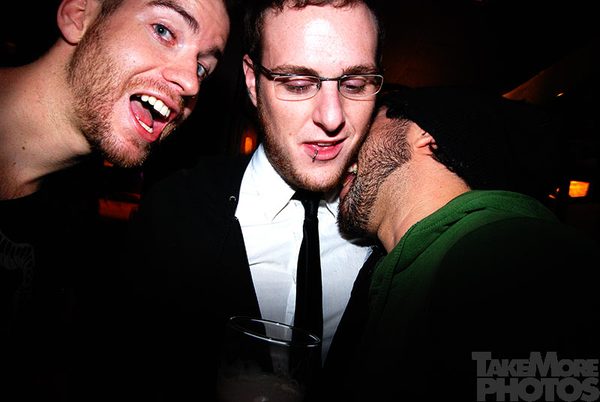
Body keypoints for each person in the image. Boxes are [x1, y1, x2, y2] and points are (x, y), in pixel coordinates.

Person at [126, 0, 385, 400]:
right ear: (251, 80)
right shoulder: (174, 216)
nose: (332, 117)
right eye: (297, 83)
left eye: (355, 84)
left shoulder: (391, 234)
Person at [0, 0, 231, 400]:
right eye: (164, 31)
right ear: (78, 16)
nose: (191, 84)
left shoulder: (72, 228)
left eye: (201, 68)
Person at [328, 86, 600, 401]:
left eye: (369, 122)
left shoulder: (512, 252)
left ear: (424, 134)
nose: (345, 144)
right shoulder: (400, 270)